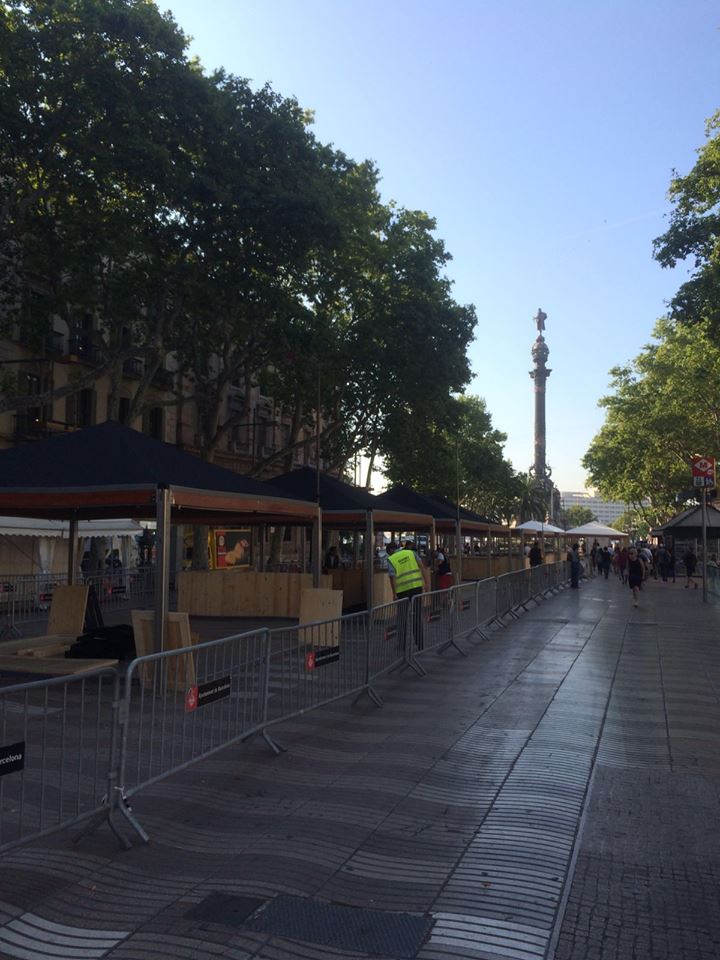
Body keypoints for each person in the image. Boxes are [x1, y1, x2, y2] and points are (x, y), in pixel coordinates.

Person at [387, 540, 430, 649]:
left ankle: (401, 645)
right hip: (416, 588)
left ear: (390, 551)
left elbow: (392, 578)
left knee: (402, 618)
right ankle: (420, 644)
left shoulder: (391, 559)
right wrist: (427, 583)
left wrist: (394, 594)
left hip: (402, 592)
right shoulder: (411, 553)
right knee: (417, 617)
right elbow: (422, 567)